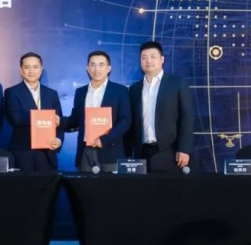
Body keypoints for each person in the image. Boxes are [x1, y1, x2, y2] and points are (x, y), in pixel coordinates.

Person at [128, 41, 194, 173]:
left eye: (153, 56)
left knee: (166, 186)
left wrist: (184, 149)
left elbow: (187, 117)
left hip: (169, 150)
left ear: (162, 59)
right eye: (144, 57)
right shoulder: (134, 89)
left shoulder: (177, 83)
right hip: (141, 152)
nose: (148, 61)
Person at [66, 50, 131, 172]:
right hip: (85, 152)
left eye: (101, 65)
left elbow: (125, 120)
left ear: (109, 68)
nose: (96, 69)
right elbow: (74, 120)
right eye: (93, 65)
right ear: (88, 68)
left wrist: (104, 140)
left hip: (110, 151)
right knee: (84, 184)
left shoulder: (120, 91)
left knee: (110, 184)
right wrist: (56, 121)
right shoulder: (80, 92)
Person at [4, 52, 63, 172]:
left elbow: (58, 121)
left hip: (48, 154)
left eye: (35, 67)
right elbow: (16, 119)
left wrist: (58, 139)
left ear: (41, 69)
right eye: (27, 67)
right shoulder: (12, 92)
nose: (31, 71)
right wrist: (44, 117)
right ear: (21, 70)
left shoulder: (52, 94)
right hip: (23, 153)